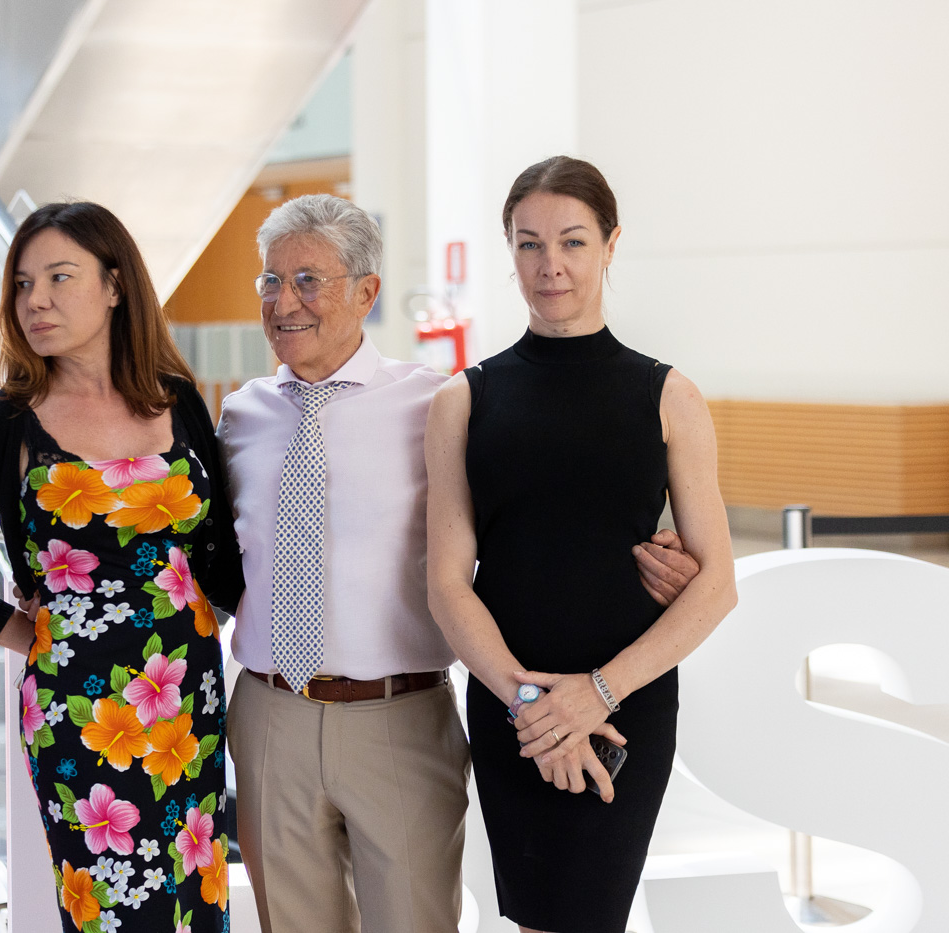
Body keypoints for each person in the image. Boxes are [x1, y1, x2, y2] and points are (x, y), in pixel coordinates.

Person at [219, 193, 701, 933]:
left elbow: (552, 501)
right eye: (271, 281)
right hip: (269, 716)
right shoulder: (237, 416)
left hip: (397, 716)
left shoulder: (436, 403)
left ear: (367, 292)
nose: (285, 302)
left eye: (308, 280)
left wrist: (666, 551)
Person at [0, 201, 244, 933]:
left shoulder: (177, 399)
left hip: (188, 701)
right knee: (109, 907)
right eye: (23, 284)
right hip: (79, 712)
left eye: (59, 277)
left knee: (196, 894)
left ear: (115, 285)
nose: (36, 301)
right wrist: (26, 636)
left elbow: (220, 556)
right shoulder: (4, 423)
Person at [424, 156, 739, 933]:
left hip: (626, 704)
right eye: (529, 244)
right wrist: (533, 707)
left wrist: (594, 694)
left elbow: (718, 584)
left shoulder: (669, 396)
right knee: (536, 917)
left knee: (590, 915)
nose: (550, 265)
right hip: (511, 704)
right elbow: (448, 583)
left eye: (572, 241)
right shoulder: (463, 400)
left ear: (610, 244)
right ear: (509, 251)